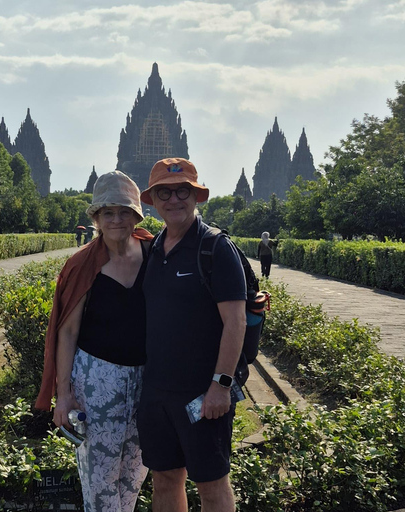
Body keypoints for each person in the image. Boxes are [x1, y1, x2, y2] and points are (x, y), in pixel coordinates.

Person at [36, 170, 153, 512]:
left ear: (136, 215)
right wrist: (64, 394)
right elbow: (67, 331)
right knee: (100, 481)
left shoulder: (154, 254)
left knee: (134, 474)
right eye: (108, 212)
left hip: (147, 380)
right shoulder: (83, 264)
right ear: (96, 218)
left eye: (124, 211)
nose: (117, 219)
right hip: (98, 380)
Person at [137, 158, 247, 512]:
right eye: (164, 193)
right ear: (152, 200)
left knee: (212, 483)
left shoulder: (214, 248)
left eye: (183, 190)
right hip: (157, 391)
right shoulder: (153, 248)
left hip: (203, 393)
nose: (174, 199)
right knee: (165, 479)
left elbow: (236, 322)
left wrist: (221, 384)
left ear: (196, 196)